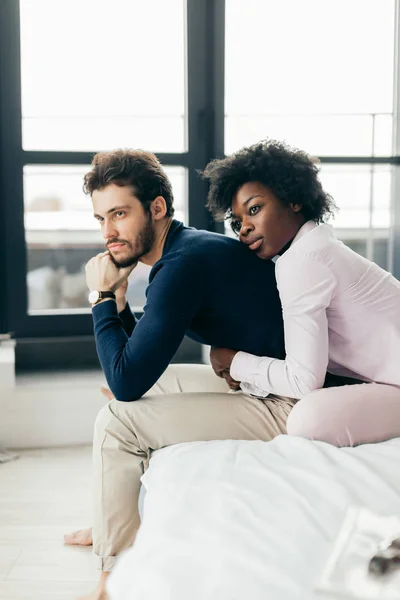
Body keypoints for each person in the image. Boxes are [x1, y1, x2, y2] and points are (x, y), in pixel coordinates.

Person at [71, 148, 298, 600]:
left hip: (293, 399)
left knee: (117, 422)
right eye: (101, 219)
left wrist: (99, 296)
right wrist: (116, 302)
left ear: (156, 208)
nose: (109, 233)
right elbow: (140, 362)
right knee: (146, 387)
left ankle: (116, 573)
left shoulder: (181, 265)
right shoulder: (186, 250)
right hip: (263, 380)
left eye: (120, 213)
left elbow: (127, 380)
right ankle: (109, 520)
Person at [203, 139, 400, 449]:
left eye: (255, 209)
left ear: (293, 200)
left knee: (308, 419)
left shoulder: (303, 260)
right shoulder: (318, 248)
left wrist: (234, 361)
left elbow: (304, 381)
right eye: (238, 221)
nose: (243, 229)